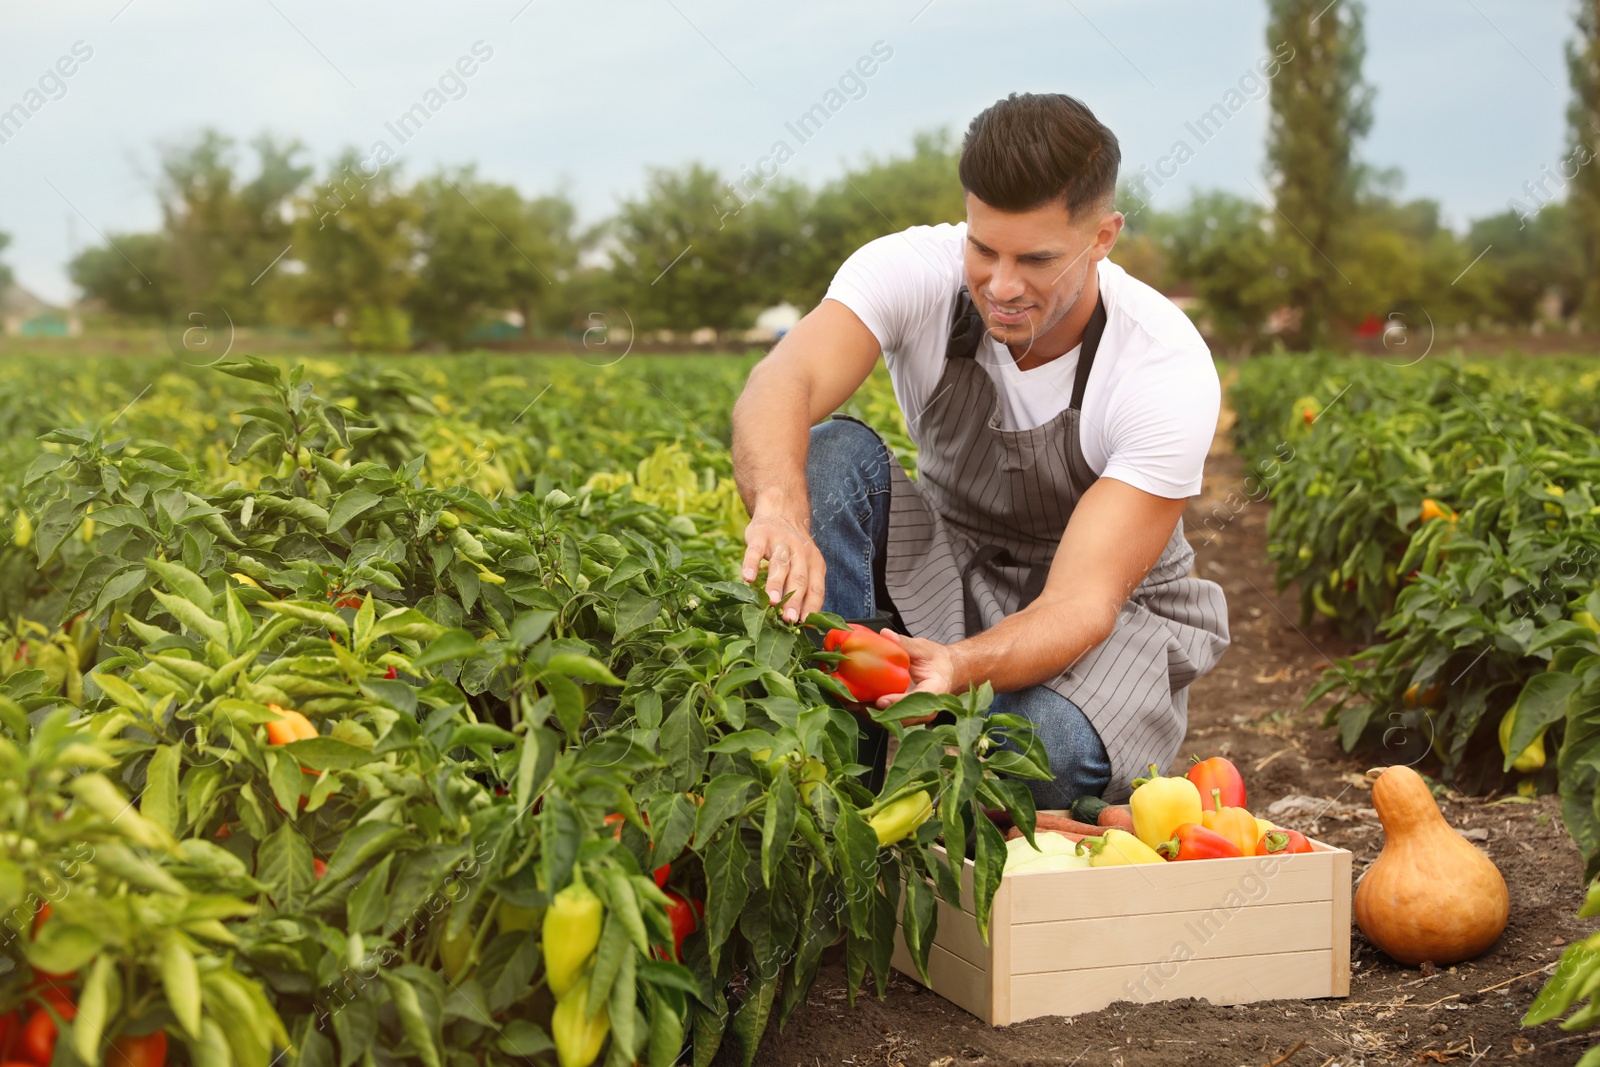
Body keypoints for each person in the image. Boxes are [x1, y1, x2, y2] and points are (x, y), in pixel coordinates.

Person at [729, 92, 1229, 805]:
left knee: (1036, 754)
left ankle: (933, 753)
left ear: (1103, 237)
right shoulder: (912, 271)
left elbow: (1082, 602)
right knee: (828, 455)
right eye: (983, 247)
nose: (1001, 285)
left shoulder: (1160, 365)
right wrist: (778, 509)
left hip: (1109, 613)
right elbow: (783, 377)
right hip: (953, 562)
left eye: (1036, 259)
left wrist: (959, 665)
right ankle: (839, 777)